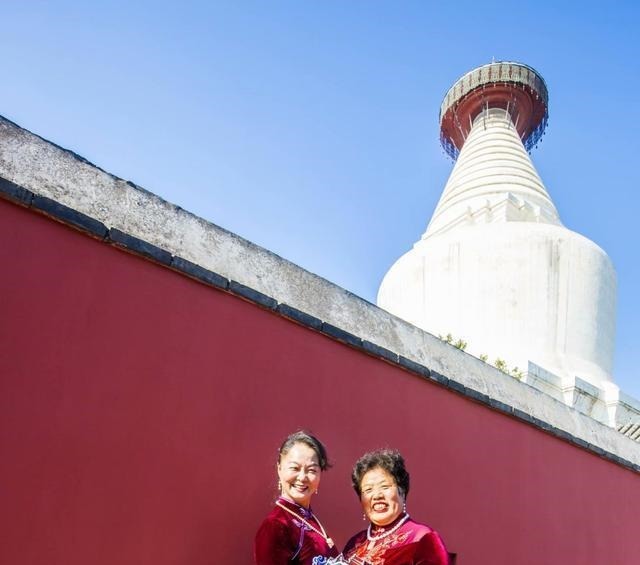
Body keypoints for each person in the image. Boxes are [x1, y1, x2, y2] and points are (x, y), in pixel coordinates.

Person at [342, 449, 449, 565]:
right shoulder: (354, 543)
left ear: (402, 491)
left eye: (385, 486)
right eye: (368, 489)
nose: (377, 495)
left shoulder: (423, 538)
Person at [255, 430, 340, 565]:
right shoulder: (276, 525)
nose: (302, 478)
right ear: (279, 469)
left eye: (311, 470)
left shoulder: (310, 520)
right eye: (294, 468)